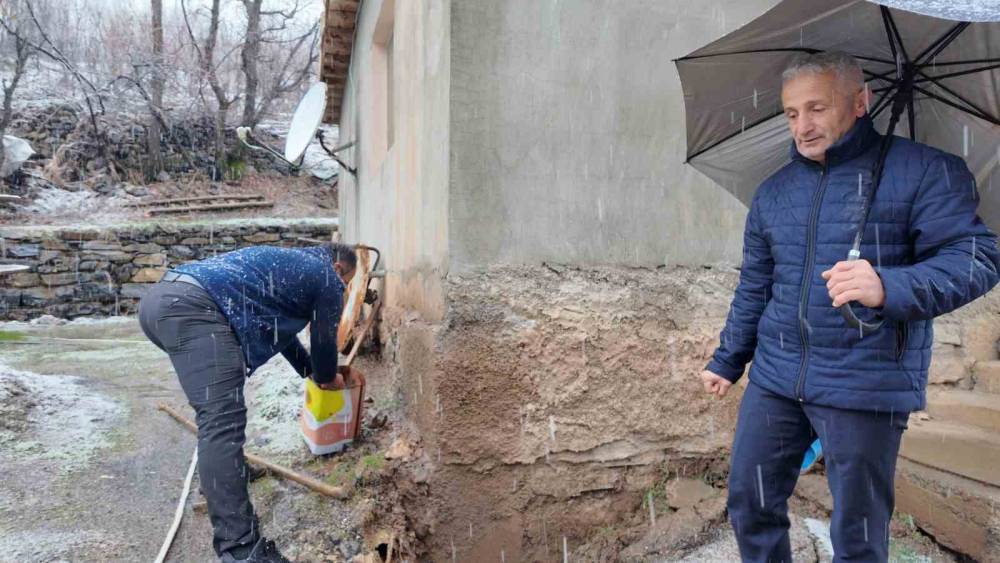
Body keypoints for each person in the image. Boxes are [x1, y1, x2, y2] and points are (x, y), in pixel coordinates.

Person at [700, 51, 999, 562]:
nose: (803, 126)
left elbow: (978, 259)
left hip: (866, 380)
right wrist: (729, 358)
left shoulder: (928, 171)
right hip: (777, 375)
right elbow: (755, 285)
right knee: (750, 502)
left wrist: (888, 285)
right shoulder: (774, 193)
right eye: (792, 113)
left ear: (861, 102)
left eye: (817, 108)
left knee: (858, 535)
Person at [139, 242, 357, 563]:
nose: (343, 289)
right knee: (221, 420)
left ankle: (227, 477)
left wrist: (309, 371)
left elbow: (281, 333)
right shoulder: (327, 278)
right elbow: (325, 342)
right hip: (196, 311)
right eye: (347, 282)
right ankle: (241, 549)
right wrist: (327, 377)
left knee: (218, 415)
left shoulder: (293, 265)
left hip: (164, 301)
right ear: (340, 268)